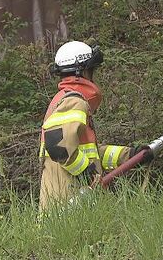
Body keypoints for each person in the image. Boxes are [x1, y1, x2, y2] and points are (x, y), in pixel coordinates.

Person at [39, 41, 151, 211]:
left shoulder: (63, 99)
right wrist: (86, 173)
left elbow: (87, 153)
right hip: (69, 204)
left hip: (69, 204)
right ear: (83, 71)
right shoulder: (74, 101)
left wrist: (130, 155)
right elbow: (58, 146)